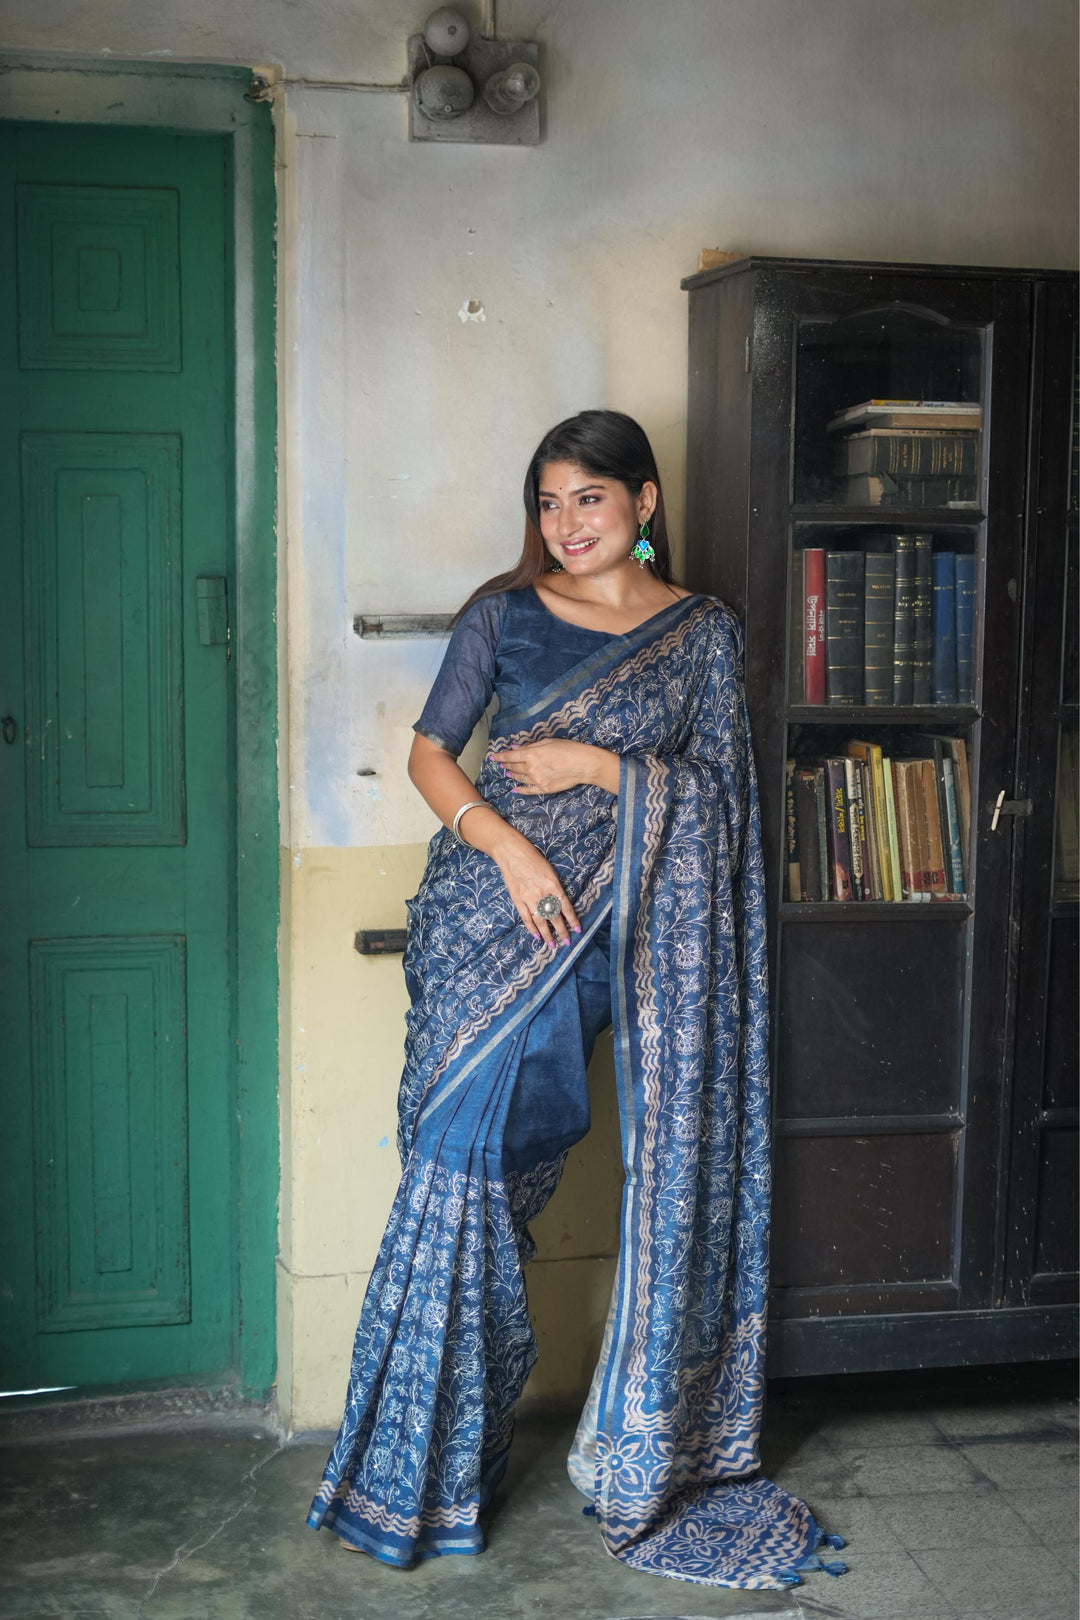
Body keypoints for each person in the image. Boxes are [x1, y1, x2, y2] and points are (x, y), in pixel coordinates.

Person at [307, 411, 846, 1590]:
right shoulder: (500, 616)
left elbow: (721, 805)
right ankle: (415, 1472)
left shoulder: (700, 635)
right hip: (481, 921)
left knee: (493, 1180)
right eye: (548, 503)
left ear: (643, 505)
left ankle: (445, 1464)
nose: (566, 523)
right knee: (450, 1173)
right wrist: (508, 848)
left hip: (607, 945)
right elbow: (433, 753)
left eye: (589, 500)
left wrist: (604, 770)